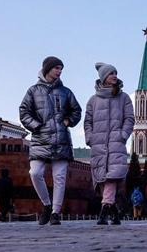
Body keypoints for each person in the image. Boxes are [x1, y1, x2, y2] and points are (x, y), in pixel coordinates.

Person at [19, 56, 82, 225]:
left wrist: (68, 121)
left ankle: (55, 213)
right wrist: (37, 126)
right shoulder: (33, 91)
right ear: (48, 69)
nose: (59, 71)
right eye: (57, 68)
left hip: (60, 139)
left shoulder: (66, 92)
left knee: (59, 177)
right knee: (35, 173)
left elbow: (76, 111)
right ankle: (46, 205)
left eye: (61, 69)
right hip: (40, 139)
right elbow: (24, 112)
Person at [84, 62, 134, 225]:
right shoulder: (93, 100)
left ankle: (104, 209)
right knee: (102, 179)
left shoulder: (123, 97)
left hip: (116, 143)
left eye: (115, 73)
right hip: (98, 144)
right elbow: (88, 122)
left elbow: (129, 119)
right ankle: (114, 211)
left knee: (112, 176)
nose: (115, 76)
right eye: (111, 73)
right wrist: (90, 138)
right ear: (104, 77)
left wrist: (123, 135)